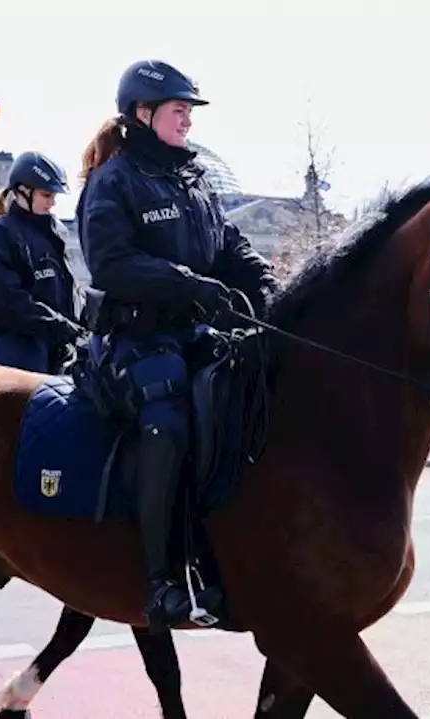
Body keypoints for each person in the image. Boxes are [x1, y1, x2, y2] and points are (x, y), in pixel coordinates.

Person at [76, 59, 278, 632]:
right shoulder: (112, 181)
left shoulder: (194, 182)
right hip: (134, 336)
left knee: (245, 403)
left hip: (191, 332)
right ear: (143, 114)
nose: (187, 119)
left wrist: (263, 281)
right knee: (169, 417)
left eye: (189, 110)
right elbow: (111, 262)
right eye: (177, 109)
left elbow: (229, 245)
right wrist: (189, 285)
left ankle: (222, 556)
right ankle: (161, 577)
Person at [0, 151, 84, 374]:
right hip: (17, 346)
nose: (52, 203)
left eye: (54, 196)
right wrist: (61, 326)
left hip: (55, 344)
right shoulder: (2, 233)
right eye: (46, 195)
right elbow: (8, 300)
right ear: (22, 192)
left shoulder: (55, 233)